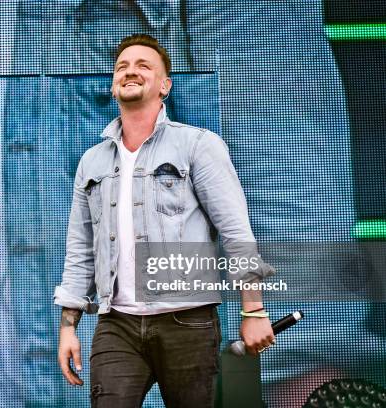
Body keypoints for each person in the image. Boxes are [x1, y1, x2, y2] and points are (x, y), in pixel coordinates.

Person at [54, 34, 276, 407]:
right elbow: (80, 250)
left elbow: (236, 232)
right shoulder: (91, 162)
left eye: (144, 66)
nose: (131, 71)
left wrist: (253, 309)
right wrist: (67, 327)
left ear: (165, 85)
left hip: (188, 321)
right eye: (122, 66)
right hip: (117, 324)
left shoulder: (197, 145)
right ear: (112, 85)